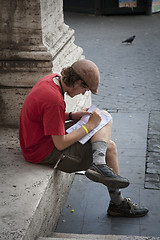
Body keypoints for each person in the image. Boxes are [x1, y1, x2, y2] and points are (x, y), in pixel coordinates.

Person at [19, 59, 148, 217]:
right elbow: (60, 144)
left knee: (104, 117)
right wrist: (89, 126)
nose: (83, 93)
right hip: (41, 151)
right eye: (85, 89)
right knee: (110, 147)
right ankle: (117, 202)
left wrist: (73, 115)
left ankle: (99, 165)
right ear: (78, 82)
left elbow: (48, 115)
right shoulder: (55, 100)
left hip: (36, 140)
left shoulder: (52, 79)